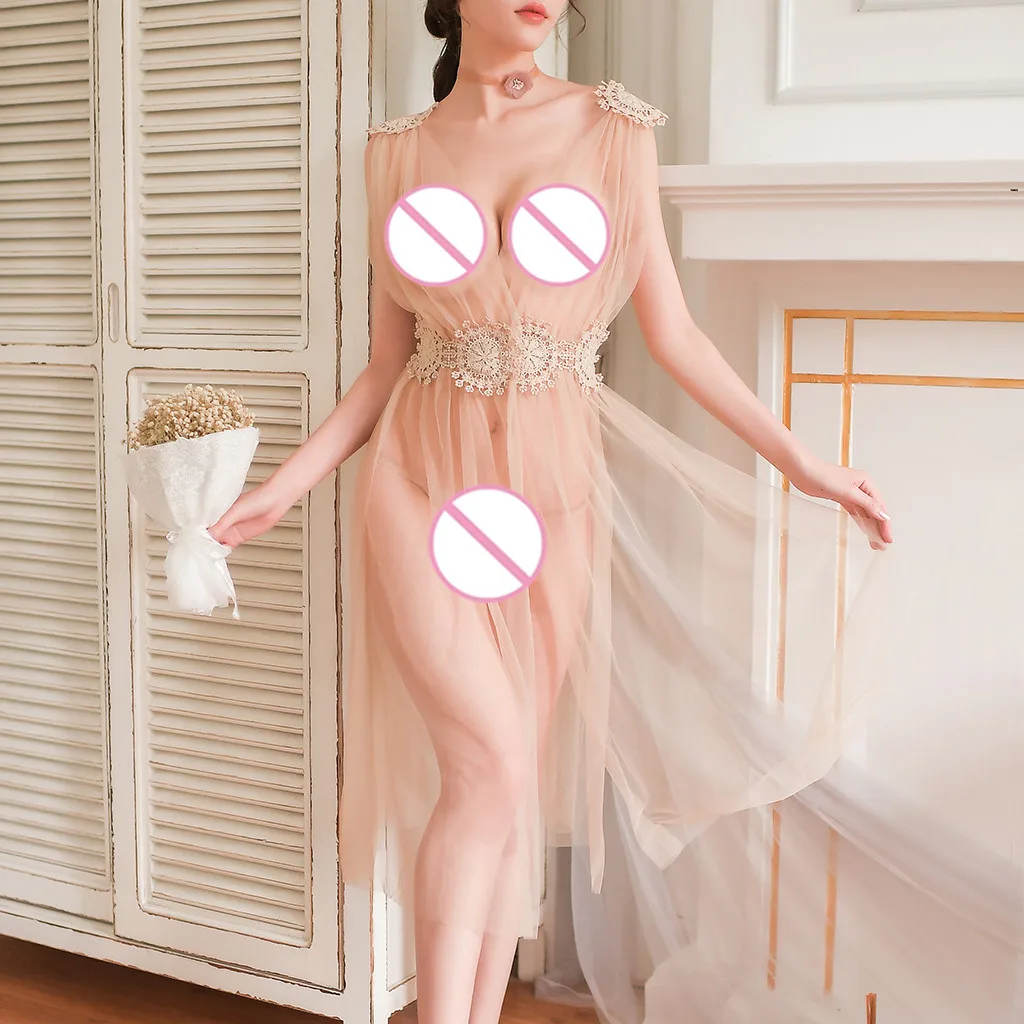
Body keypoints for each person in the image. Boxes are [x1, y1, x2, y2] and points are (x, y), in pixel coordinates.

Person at [210, 3, 1024, 1023]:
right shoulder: (395, 152)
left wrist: (801, 462)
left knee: (504, 780)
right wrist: (284, 485)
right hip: (416, 484)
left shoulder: (614, 128)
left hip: (553, 493)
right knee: (484, 762)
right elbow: (384, 366)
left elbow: (674, 333)